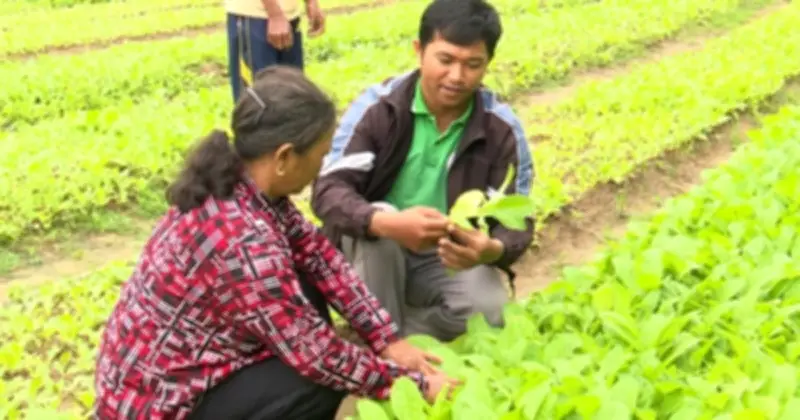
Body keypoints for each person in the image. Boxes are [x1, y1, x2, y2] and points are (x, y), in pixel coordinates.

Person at [92, 66, 460, 420]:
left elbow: (319, 258)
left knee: (307, 290)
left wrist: (386, 339)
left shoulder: (245, 184)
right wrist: (417, 384)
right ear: (284, 157)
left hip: (180, 368)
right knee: (317, 381)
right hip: (162, 404)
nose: (323, 164)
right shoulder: (244, 240)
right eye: (321, 153)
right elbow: (319, 357)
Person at [310, 0, 535, 343]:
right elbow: (328, 190)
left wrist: (492, 248)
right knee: (381, 220)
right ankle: (385, 344)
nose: (457, 77)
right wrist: (385, 222)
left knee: (492, 313)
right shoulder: (379, 108)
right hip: (376, 248)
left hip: (444, 253)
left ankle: (389, 335)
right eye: (445, 60)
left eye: (473, 64)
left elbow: (518, 216)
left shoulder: (500, 128)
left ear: (488, 64)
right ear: (419, 51)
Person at [225, 0, 325, 102]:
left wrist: (311, 2)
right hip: (254, 15)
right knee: (257, 102)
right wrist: (275, 15)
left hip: (288, 15)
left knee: (293, 98)